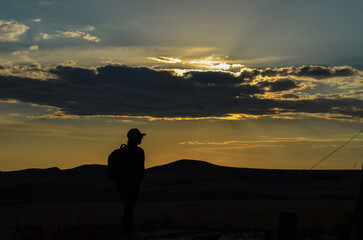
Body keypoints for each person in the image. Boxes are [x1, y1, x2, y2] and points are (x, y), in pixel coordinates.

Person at [117, 128, 145, 236]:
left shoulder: (122, 151)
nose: (141, 139)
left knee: (128, 207)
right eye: (140, 137)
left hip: (121, 184)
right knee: (129, 208)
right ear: (136, 139)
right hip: (133, 184)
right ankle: (127, 231)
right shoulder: (139, 152)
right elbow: (140, 170)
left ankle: (126, 230)